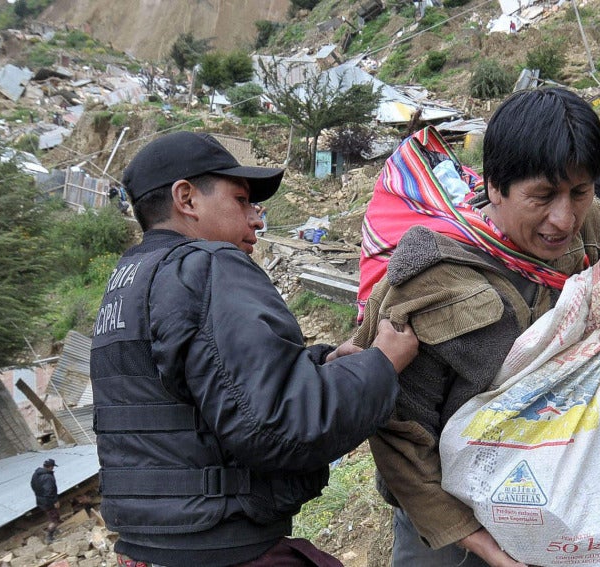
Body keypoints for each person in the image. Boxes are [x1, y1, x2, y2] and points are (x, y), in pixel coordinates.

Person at [355, 87, 600, 566]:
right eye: (541, 197)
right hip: (450, 518)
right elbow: (400, 431)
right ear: (495, 186)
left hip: (560, 496)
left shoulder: (596, 228)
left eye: (579, 192)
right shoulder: (433, 280)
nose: (563, 219)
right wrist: (474, 538)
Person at [90, 131, 418, 567]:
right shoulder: (208, 265)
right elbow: (282, 426)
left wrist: (318, 366)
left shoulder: (126, 284)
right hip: (226, 549)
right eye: (241, 200)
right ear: (186, 199)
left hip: (151, 549)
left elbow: (199, 397)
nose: (258, 220)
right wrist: (382, 364)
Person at [30, 458, 61, 543]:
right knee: (54, 519)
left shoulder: (36, 474)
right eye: (53, 467)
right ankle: (49, 537)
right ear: (50, 467)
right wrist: (55, 501)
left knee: (50, 516)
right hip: (48, 501)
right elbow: (49, 491)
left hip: (40, 500)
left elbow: (32, 485)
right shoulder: (48, 477)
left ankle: (54, 531)